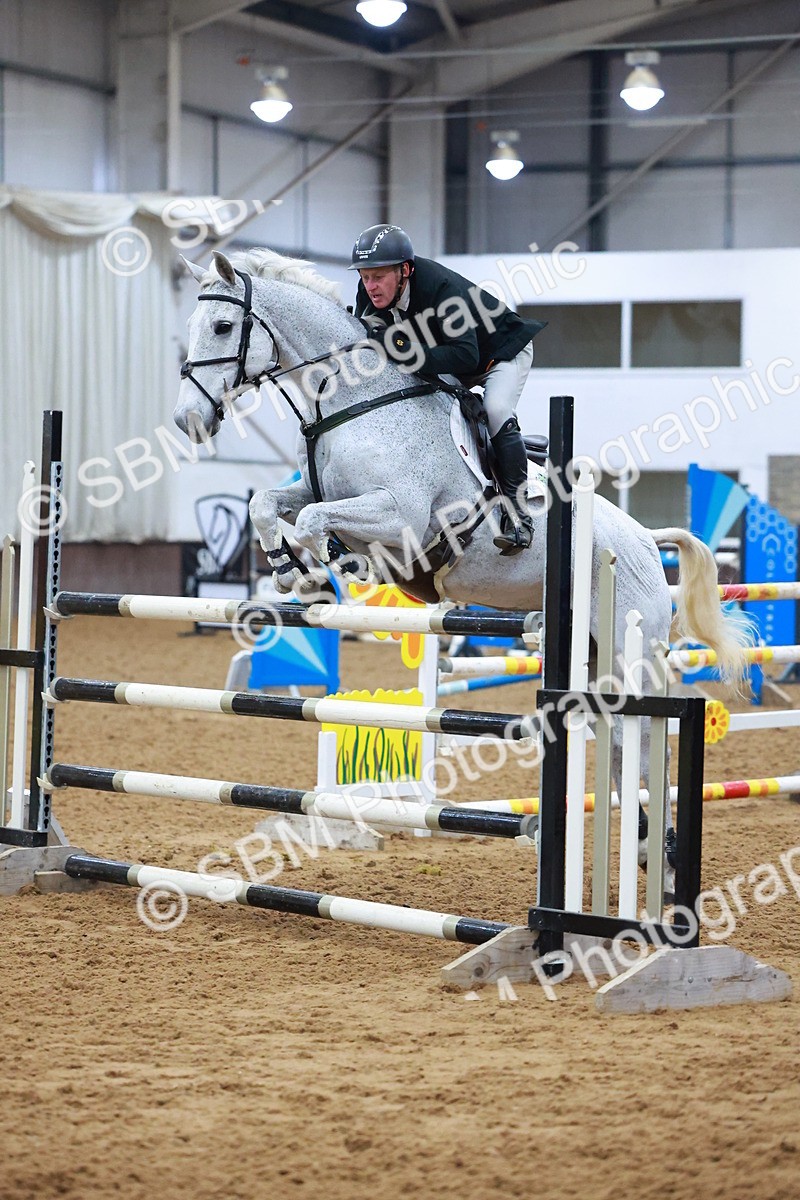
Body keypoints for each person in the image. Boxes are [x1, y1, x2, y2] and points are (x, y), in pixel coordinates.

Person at [349, 223, 545, 553]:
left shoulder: (441, 291)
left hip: (498, 355)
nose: (370, 285)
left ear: (405, 270)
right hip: (450, 357)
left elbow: (465, 354)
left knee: (495, 410)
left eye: (379, 276)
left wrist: (403, 349)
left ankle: (519, 516)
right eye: (365, 276)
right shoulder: (369, 291)